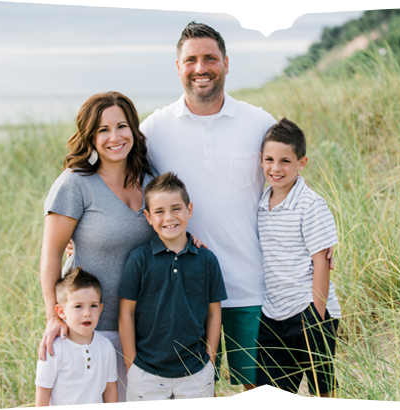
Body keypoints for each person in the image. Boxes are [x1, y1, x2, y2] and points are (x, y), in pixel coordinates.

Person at [140, 20, 301, 390]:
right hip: (184, 295)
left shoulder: (258, 122)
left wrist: (314, 246)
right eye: (191, 60)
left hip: (252, 289)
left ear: (226, 63)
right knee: (193, 394)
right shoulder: (154, 129)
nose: (201, 68)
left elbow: (289, 188)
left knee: (261, 392)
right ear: (178, 67)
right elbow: (125, 188)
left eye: (210, 58)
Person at [38, 91, 154, 401]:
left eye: (121, 126)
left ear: (134, 129)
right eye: (103, 130)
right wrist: (53, 316)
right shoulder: (74, 183)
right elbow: (50, 255)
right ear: (90, 136)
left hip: (143, 328)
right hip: (88, 330)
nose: (114, 137)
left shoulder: (151, 180)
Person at [118, 173, 226, 400]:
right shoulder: (139, 259)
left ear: (189, 210)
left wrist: (210, 361)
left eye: (176, 208)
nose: (169, 218)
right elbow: (126, 313)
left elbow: (214, 314)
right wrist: (132, 365)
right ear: (147, 216)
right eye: (159, 211)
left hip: (196, 371)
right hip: (146, 372)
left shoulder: (207, 259)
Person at [254, 118, 340, 396]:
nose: (275, 168)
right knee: (272, 391)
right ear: (260, 159)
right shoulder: (262, 201)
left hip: (308, 310)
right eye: (269, 159)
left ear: (302, 163)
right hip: (273, 313)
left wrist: (316, 314)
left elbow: (321, 262)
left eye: (285, 161)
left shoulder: (310, 204)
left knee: (321, 389)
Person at [35, 268, 118, 405]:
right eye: (78, 306)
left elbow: (109, 389)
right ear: (61, 312)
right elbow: (43, 391)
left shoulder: (106, 347)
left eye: (93, 306)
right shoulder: (53, 349)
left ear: (101, 309)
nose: (87, 313)